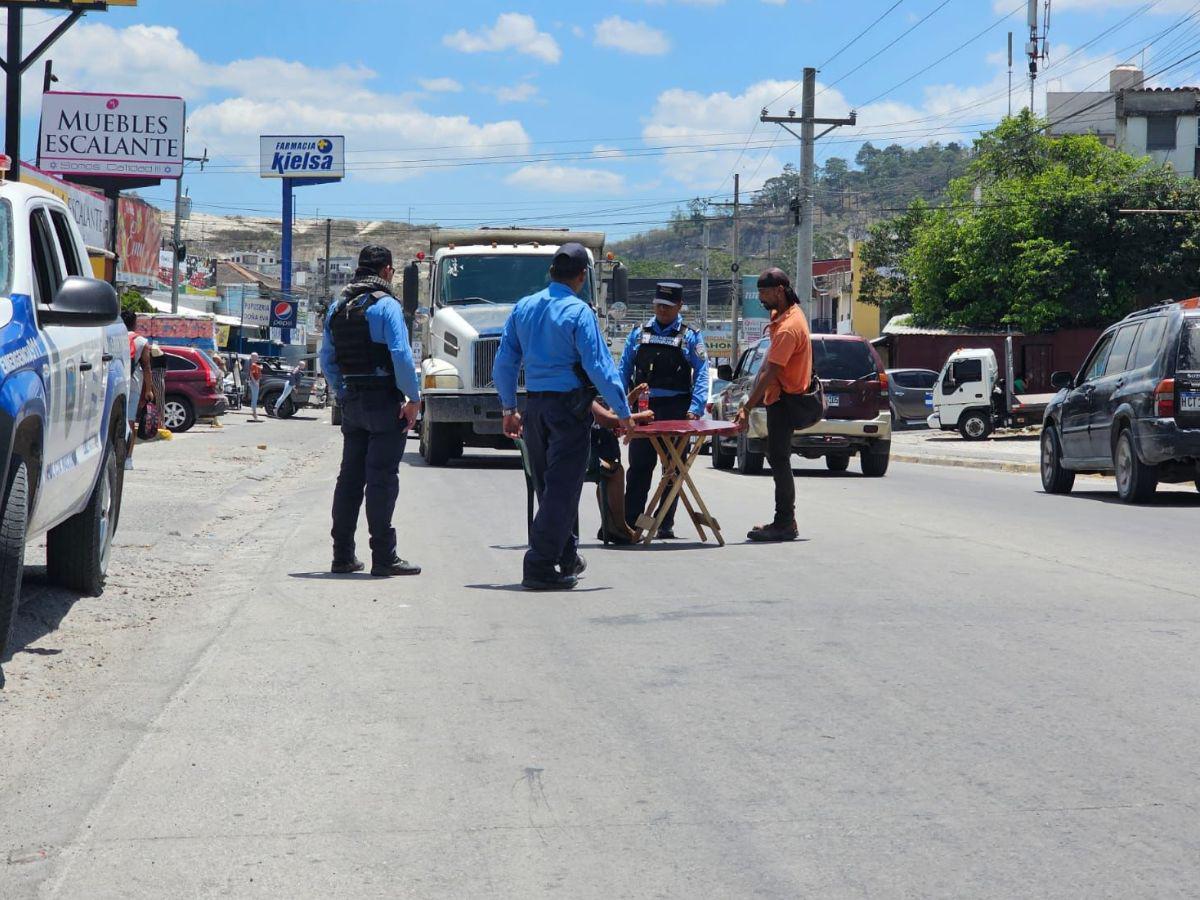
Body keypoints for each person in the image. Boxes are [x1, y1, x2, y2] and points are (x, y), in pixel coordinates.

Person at [493, 242, 634, 591]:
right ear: (582, 276)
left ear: (550, 273)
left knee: (548, 486)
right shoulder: (578, 312)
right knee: (562, 489)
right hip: (569, 409)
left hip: (534, 407)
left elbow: (505, 362)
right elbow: (599, 365)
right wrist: (624, 412)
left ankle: (567, 556)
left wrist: (508, 408)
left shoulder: (524, 307)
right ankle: (539, 564)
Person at [319, 245, 422, 577]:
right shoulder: (387, 306)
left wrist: (344, 392)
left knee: (349, 480)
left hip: (353, 404)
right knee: (381, 480)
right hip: (383, 403)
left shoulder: (337, 308)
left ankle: (342, 556)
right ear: (388, 272)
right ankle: (383, 557)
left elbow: (327, 361)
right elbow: (401, 356)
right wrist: (413, 399)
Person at [618, 282, 708, 539]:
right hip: (644, 410)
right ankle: (631, 521)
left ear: (679, 306)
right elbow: (623, 370)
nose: (662, 310)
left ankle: (664, 520)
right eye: (658, 305)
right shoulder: (638, 333)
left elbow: (702, 373)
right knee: (639, 466)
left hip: (677, 409)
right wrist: (620, 404)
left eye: (668, 306)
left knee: (673, 468)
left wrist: (696, 408)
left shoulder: (690, 335)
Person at [733, 268, 813, 542]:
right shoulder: (784, 316)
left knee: (779, 459)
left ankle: (784, 522)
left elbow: (771, 372)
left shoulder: (790, 327)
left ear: (779, 290)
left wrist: (746, 407)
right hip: (779, 399)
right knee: (777, 457)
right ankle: (784, 520)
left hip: (785, 401)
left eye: (765, 293)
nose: (761, 299)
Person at [121, 310, 154, 470]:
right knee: (130, 421)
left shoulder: (113, 338)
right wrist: (149, 390)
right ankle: (128, 458)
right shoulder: (141, 341)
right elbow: (147, 367)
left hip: (116, 383)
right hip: (133, 384)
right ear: (134, 323)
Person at [247, 353, 263, 422]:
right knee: (254, 398)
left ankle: (254, 413)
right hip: (254, 383)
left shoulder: (255, 365)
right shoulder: (253, 365)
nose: (257, 358)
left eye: (257, 357)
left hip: (256, 383)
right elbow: (251, 374)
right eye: (256, 357)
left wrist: (260, 367)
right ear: (253, 357)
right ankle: (254, 413)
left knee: (255, 398)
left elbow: (259, 369)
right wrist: (255, 382)